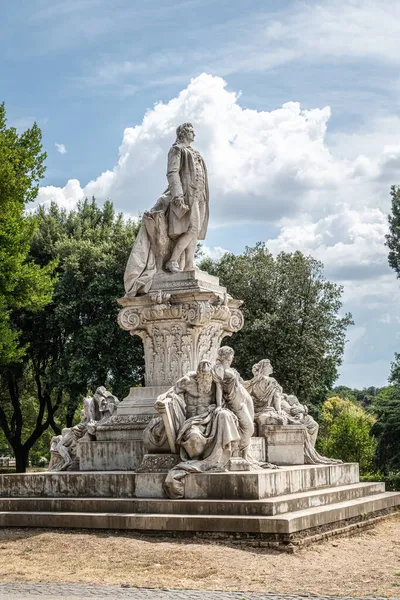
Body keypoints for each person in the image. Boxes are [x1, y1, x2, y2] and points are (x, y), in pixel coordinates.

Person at [124, 123, 210, 296]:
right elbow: (172, 172)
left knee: (195, 230)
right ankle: (172, 261)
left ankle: (189, 264)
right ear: (184, 133)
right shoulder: (177, 150)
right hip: (185, 196)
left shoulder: (196, 153)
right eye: (192, 131)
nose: (195, 134)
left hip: (198, 197)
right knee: (192, 229)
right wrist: (177, 195)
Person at [212, 346, 255, 460]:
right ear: (226, 356)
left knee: (250, 427)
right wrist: (219, 405)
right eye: (231, 355)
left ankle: (242, 453)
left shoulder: (230, 369)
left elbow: (241, 384)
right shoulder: (219, 368)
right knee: (249, 428)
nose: (233, 357)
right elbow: (219, 387)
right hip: (235, 402)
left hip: (244, 400)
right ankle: (237, 450)